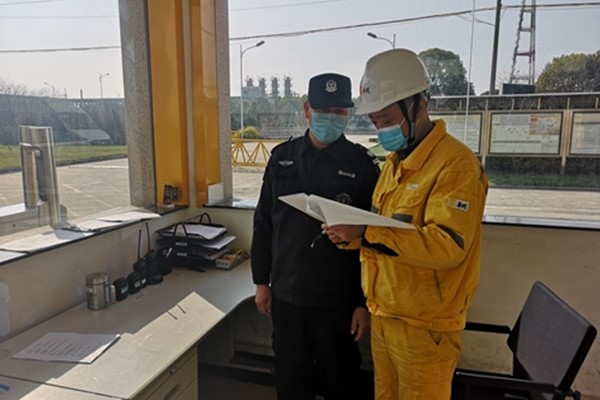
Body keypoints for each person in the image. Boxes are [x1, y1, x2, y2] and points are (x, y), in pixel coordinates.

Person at [323, 49, 489, 400]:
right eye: (375, 122)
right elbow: (384, 234)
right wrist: (350, 235)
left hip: (425, 328)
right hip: (385, 315)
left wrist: (366, 232)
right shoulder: (395, 164)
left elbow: (446, 246)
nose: (381, 129)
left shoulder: (455, 165)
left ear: (419, 105)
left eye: (386, 119)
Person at [251, 72, 381, 400]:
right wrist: (261, 282)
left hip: (337, 302)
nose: (331, 118)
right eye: (324, 110)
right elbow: (264, 222)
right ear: (307, 109)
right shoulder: (282, 158)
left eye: (339, 111)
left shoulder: (363, 165)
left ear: (348, 113)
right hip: (287, 297)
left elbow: (374, 239)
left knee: (341, 384)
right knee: (291, 382)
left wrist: (362, 303)